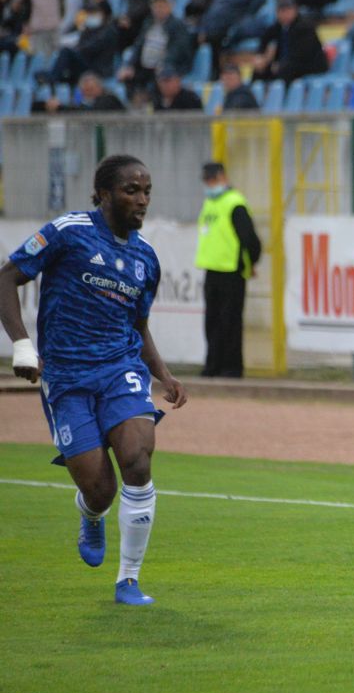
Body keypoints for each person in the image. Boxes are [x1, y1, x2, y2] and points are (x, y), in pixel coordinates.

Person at [0, 155, 188, 606]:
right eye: (131, 190)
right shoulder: (69, 231)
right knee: (100, 488)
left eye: (146, 191)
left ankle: (129, 581)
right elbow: (6, 277)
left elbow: (138, 325)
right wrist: (23, 346)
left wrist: (162, 374)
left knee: (138, 461)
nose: (141, 200)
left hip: (120, 369)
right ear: (103, 193)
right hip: (66, 376)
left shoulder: (146, 259)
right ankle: (90, 512)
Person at [194, 162, 262, 378]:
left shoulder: (235, 203)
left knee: (230, 322)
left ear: (222, 177)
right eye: (206, 180)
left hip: (231, 272)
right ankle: (212, 366)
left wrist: (250, 263)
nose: (209, 184)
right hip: (212, 269)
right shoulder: (210, 203)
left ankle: (231, 369)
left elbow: (250, 239)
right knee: (212, 322)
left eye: (212, 180)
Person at [253, 0, 329, 82]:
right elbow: (264, 44)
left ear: (295, 10)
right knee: (259, 71)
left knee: (284, 71)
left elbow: (301, 55)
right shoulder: (275, 29)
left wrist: (281, 64)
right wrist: (261, 58)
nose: (284, 14)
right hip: (284, 64)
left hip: (307, 66)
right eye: (281, 11)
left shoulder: (305, 28)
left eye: (288, 10)